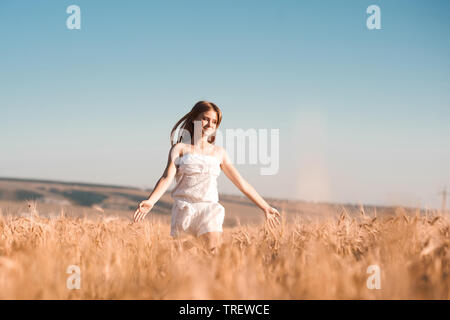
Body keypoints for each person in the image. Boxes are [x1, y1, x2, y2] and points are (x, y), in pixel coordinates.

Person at [133, 101, 281, 254]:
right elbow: (166, 177)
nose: (210, 124)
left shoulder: (220, 152)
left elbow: (241, 183)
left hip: (209, 209)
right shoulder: (180, 148)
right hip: (184, 210)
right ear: (194, 119)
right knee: (184, 262)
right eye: (205, 119)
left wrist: (265, 207)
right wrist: (150, 201)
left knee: (212, 253)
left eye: (214, 121)